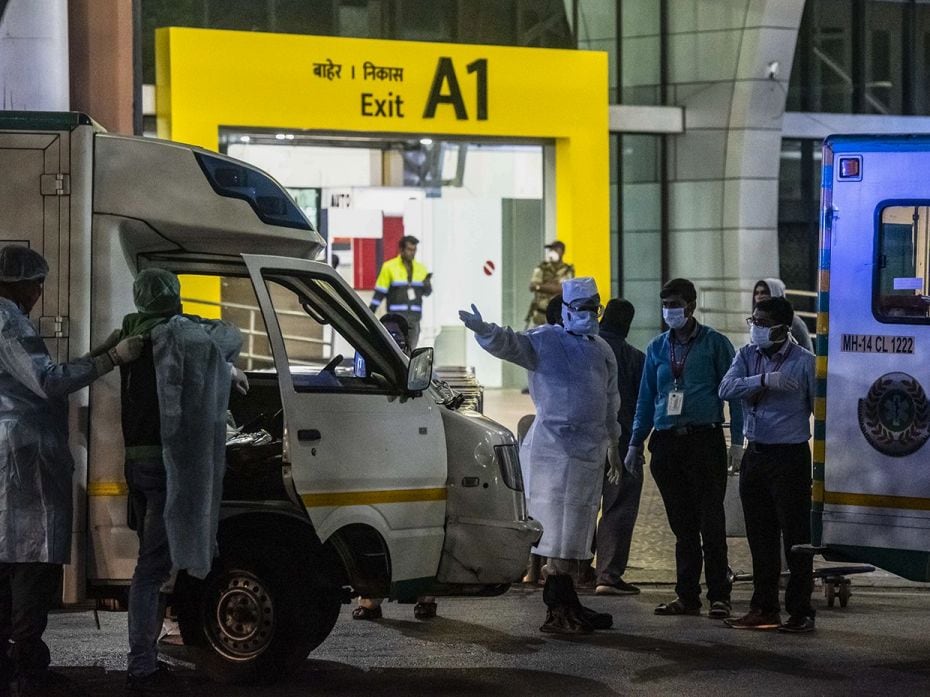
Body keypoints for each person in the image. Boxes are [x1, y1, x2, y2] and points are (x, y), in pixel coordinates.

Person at [0, 246, 142, 697]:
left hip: (19, 455)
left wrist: (97, 352)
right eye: (36, 283)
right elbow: (48, 380)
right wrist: (109, 359)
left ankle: (17, 664)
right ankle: (27, 668)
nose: (40, 292)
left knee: (17, 562)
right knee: (29, 564)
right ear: (16, 283)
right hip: (24, 457)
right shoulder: (7, 320)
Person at [460, 277, 621, 634]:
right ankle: (557, 607)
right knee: (557, 532)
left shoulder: (601, 349)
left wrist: (614, 445)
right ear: (565, 310)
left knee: (578, 530)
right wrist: (484, 329)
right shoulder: (547, 340)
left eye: (594, 307)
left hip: (589, 453)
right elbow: (511, 344)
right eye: (581, 308)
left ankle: (569, 602)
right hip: (554, 453)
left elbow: (610, 402)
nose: (589, 315)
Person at [120, 269, 248, 694]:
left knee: (151, 561)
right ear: (174, 296)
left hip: (136, 464)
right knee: (152, 568)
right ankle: (141, 666)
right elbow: (229, 338)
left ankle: (147, 655)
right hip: (164, 465)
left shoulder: (130, 334)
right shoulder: (178, 335)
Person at [626, 278, 743, 620]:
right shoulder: (657, 348)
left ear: (691, 306)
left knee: (711, 521)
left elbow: (734, 396)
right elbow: (646, 399)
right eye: (665, 305)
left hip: (704, 441)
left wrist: (738, 440)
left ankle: (719, 595)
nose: (669, 311)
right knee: (682, 526)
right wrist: (635, 442)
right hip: (666, 443)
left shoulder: (715, 345)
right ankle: (687, 596)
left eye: (675, 305)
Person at [718, 296, 817, 633]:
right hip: (755, 455)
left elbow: (820, 411)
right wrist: (762, 381)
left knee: (796, 539)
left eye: (762, 323)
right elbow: (726, 388)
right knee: (760, 538)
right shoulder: (747, 355)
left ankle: (801, 611)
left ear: (782, 328)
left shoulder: (805, 362)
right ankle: (764, 608)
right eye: (754, 321)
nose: (755, 328)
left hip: (789, 457)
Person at [353, 313, 438, 622]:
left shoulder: (417, 367)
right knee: (375, 529)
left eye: (397, 335)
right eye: (385, 333)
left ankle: (425, 596)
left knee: (417, 527)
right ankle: (370, 600)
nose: (393, 339)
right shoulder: (368, 362)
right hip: (378, 457)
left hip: (412, 457)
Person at [594, 299, 646, 596]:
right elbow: (644, 404)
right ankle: (608, 575)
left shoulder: (586, 350)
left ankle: (574, 570)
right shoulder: (633, 358)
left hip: (584, 441)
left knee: (583, 505)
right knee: (620, 506)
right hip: (624, 441)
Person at [369, 235, 432, 349]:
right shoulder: (389, 267)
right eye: (409, 249)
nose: (412, 253)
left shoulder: (421, 269)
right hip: (396, 320)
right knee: (395, 351)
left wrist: (427, 285)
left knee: (410, 353)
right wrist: (369, 313)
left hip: (414, 320)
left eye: (414, 250)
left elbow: (427, 293)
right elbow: (380, 293)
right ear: (401, 250)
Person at [752, 278, 812, 352]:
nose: (759, 296)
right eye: (756, 293)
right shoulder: (755, 321)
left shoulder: (794, 322)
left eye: (764, 292)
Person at [526, 241, 574, 328]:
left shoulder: (567, 270)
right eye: (551, 249)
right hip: (540, 315)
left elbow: (563, 289)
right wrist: (552, 287)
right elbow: (532, 286)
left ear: (562, 252)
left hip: (559, 316)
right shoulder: (542, 268)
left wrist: (541, 287)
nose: (552, 251)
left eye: (555, 249)